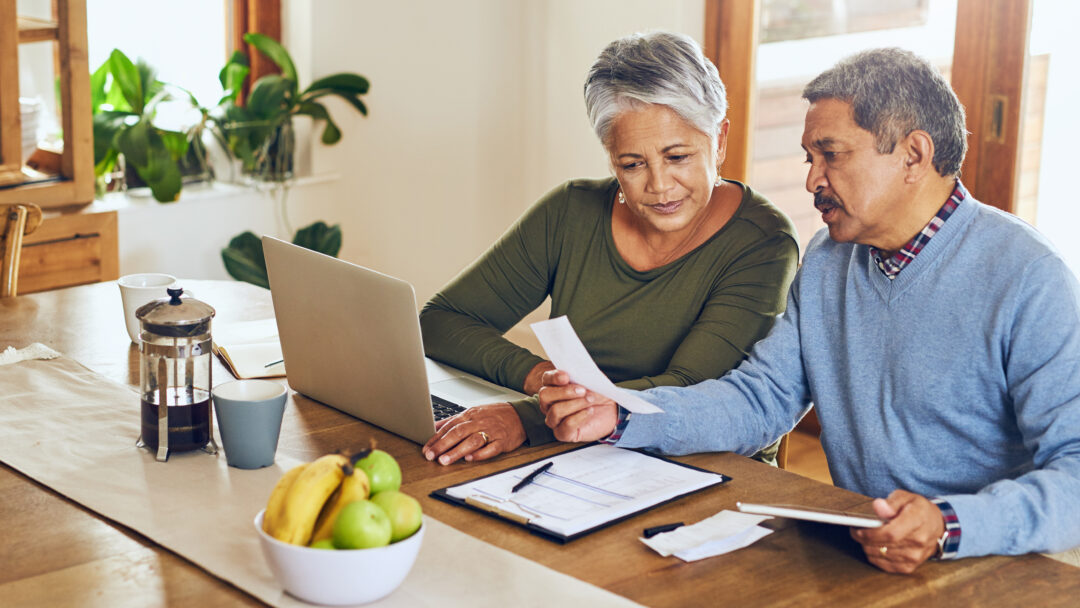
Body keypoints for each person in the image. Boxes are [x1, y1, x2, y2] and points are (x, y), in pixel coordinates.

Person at [539, 47, 1080, 573]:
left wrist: (948, 524)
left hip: (998, 566)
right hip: (861, 554)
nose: (811, 179)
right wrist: (621, 414)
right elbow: (762, 398)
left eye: (832, 154)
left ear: (914, 155)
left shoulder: (1028, 276)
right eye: (809, 157)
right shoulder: (828, 260)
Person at [419, 31, 799, 466]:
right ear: (610, 155)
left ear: (720, 140)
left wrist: (528, 419)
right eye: (632, 164)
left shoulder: (763, 242)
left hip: (703, 467)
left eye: (678, 157)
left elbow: (692, 389)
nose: (659, 186)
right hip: (579, 456)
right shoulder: (571, 211)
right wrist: (546, 382)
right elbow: (442, 321)